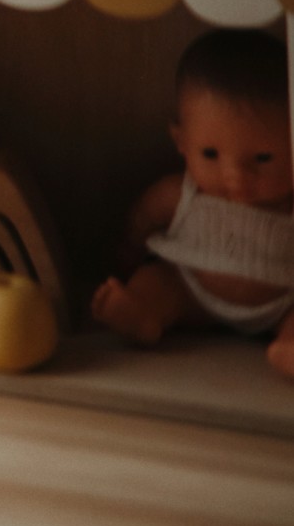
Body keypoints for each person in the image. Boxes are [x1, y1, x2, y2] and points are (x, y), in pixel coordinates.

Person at [91, 29, 294, 378]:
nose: (235, 176)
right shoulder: (182, 194)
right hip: (190, 291)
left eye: (262, 158)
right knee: (157, 280)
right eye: (211, 154)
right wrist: (129, 249)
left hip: (280, 304)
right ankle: (142, 313)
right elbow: (144, 215)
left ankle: (289, 348)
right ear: (182, 142)